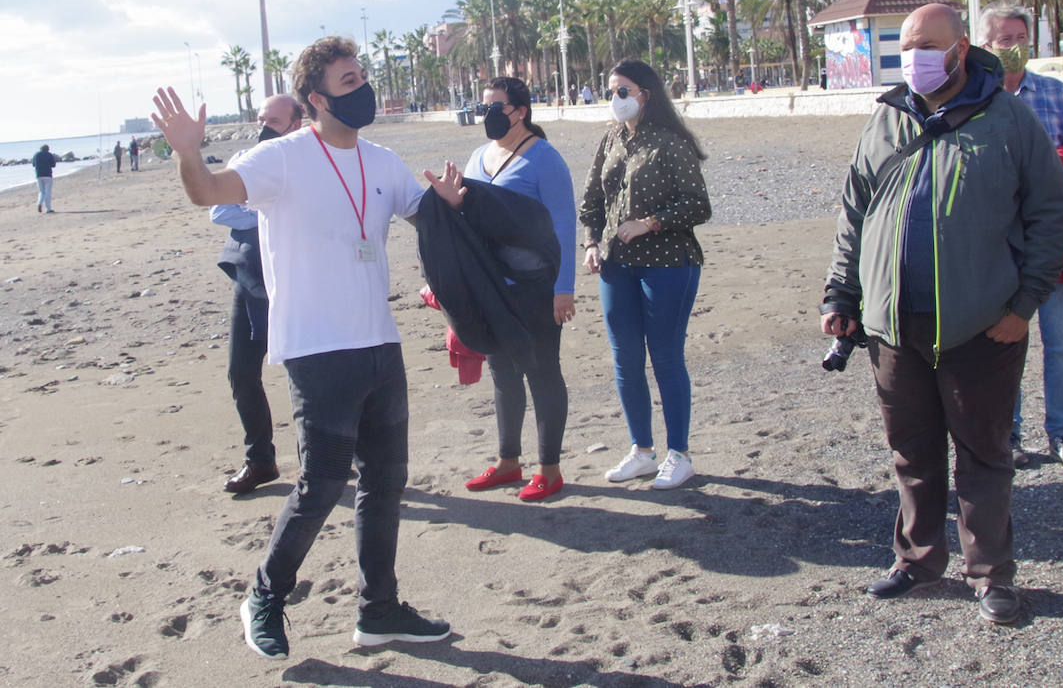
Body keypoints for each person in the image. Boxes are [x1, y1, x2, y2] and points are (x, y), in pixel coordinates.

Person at [151, 36, 462, 660]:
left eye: (362, 77)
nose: (364, 89)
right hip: (317, 348)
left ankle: (379, 610)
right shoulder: (285, 158)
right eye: (350, 82)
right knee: (321, 483)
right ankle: (264, 595)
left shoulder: (380, 159)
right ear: (316, 98)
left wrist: (450, 203)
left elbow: (426, 214)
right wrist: (188, 153)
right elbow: (207, 192)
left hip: (380, 340)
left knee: (386, 481)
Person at [821, 3, 1063, 625]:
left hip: (982, 326)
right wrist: (841, 296)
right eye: (907, 48)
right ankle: (918, 560)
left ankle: (991, 575)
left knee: (985, 454)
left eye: (928, 47)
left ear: (961, 49)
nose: (915, 60)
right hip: (892, 328)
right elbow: (853, 214)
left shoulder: (1009, 120)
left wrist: (1023, 306)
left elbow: (1052, 217)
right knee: (911, 451)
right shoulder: (885, 119)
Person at [579, 59, 711, 490]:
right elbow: (592, 199)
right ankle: (642, 451)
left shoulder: (671, 143)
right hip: (616, 267)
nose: (615, 99)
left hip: (669, 264)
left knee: (667, 356)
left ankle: (679, 453)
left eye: (622, 91)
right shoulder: (611, 139)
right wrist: (592, 243)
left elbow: (698, 204)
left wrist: (650, 222)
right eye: (610, 91)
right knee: (626, 359)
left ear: (645, 94)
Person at [982, 5, 1063, 472]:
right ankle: (1007, 433)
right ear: (984, 43)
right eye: (1002, 38)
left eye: (1019, 37)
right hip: (998, 247)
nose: (1012, 46)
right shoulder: (979, 97)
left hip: (1054, 243)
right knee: (1004, 344)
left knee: (1062, 342)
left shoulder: (1054, 93)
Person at [460, 77, 577, 502]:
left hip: (536, 287)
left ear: (521, 111)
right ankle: (509, 462)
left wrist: (563, 289)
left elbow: (564, 224)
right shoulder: (478, 156)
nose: (488, 113)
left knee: (543, 373)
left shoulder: (545, 159)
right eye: (483, 105)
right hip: (490, 289)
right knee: (503, 376)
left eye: (497, 106)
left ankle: (550, 468)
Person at [210, 94, 304, 495]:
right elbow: (220, 210)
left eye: (275, 120)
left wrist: (255, 204)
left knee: (305, 371)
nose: (265, 125)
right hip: (249, 278)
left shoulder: (306, 161)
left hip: (295, 277)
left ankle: (321, 456)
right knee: (241, 372)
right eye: (262, 118)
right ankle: (260, 460)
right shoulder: (246, 158)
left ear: (296, 124)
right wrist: (265, 207)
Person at [32, 144, 57, 213]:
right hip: (48, 175)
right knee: (48, 192)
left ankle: (39, 203)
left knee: (41, 191)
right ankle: (48, 209)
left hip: (39, 175)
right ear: (48, 149)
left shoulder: (36, 155)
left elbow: (33, 164)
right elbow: (53, 165)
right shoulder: (49, 154)